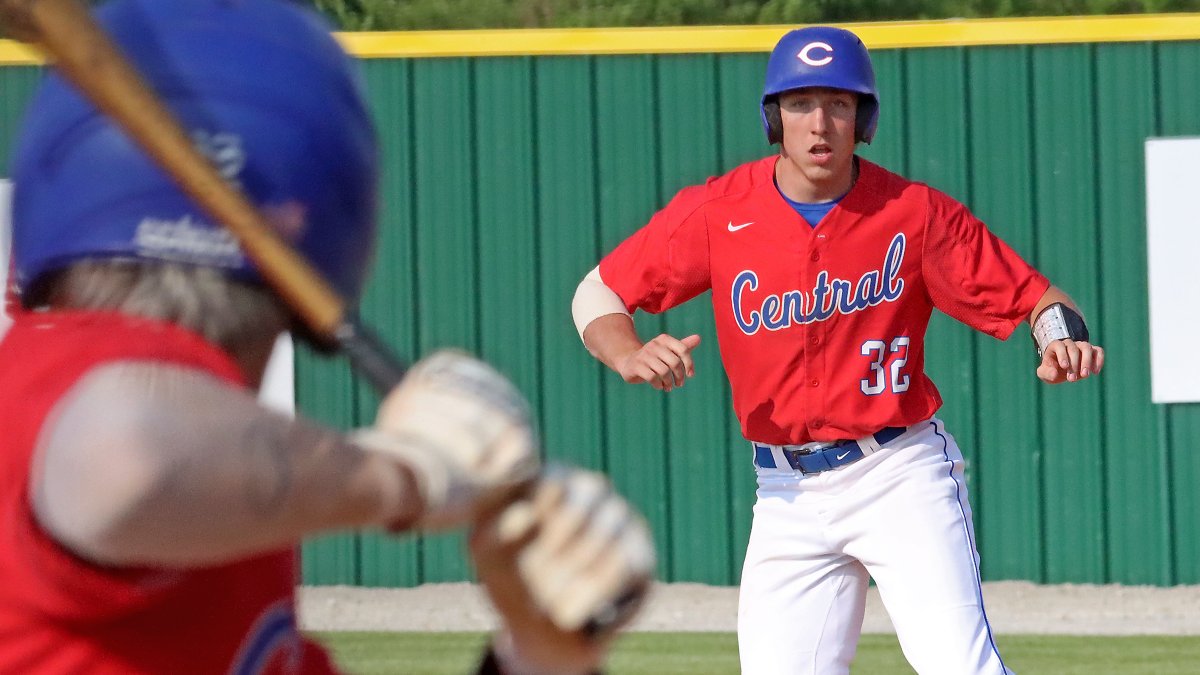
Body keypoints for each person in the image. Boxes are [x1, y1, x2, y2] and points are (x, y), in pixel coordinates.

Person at [0, 1, 652, 673]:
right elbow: (125, 455)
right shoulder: (58, 365)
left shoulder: (223, 525)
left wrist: (538, 654)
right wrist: (405, 474)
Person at [571, 25, 1104, 675]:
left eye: (839, 103)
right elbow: (597, 292)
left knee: (959, 666)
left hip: (899, 473)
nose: (819, 122)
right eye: (800, 103)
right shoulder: (718, 211)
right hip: (785, 491)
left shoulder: (913, 213)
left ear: (863, 118)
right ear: (775, 117)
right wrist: (626, 351)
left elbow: (1039, 299)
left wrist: (1063, 340)